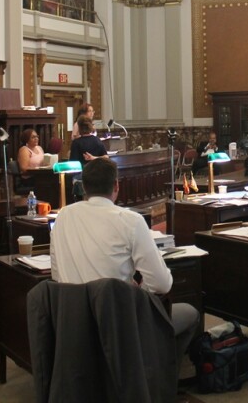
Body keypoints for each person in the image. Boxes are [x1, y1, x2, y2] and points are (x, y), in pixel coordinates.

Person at [50, 158, 199, 374]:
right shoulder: (130, 220)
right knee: (190, 314)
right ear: (116, 186)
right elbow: (162, 284)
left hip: (73, 323)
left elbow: (56, 275)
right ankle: (154, 384)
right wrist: (139, 292)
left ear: (84, 187)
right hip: (118, 323)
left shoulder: (63, 217)